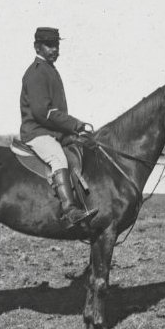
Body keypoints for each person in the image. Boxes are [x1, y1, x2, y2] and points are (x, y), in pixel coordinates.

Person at [20, 27, 98, 229]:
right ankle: (69, 210)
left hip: (52, 132)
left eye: (57, 45)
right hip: (37, 132)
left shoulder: (49, 69)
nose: (54, 49)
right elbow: (43, 112)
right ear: (37, 47)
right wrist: (75, 124)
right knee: (58, 158)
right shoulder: (36, 73)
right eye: (49, 45)